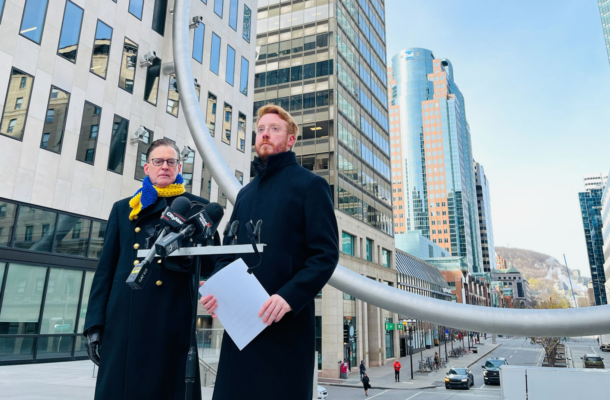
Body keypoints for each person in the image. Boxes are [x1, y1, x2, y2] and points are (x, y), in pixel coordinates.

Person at [200, 105, 339, 399]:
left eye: (274, 129)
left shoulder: (311, 185)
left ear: (290, 140)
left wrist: (289, 297)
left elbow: (325, 254)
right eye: (260, 129)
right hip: (239, 331)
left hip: (285, 328)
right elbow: (228, 252)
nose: (265, 134)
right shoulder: (245, 194)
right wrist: (217, 290)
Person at [83, 139, 215, 400]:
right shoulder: (124, 208)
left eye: (170, 162)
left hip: (171, 315)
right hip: (125, 317)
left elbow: (209, 265)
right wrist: (94, 324)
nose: (164, 166)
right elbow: (106, 269)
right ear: (146, 167)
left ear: (179, 167)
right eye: (158, 161)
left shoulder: (197, 207)